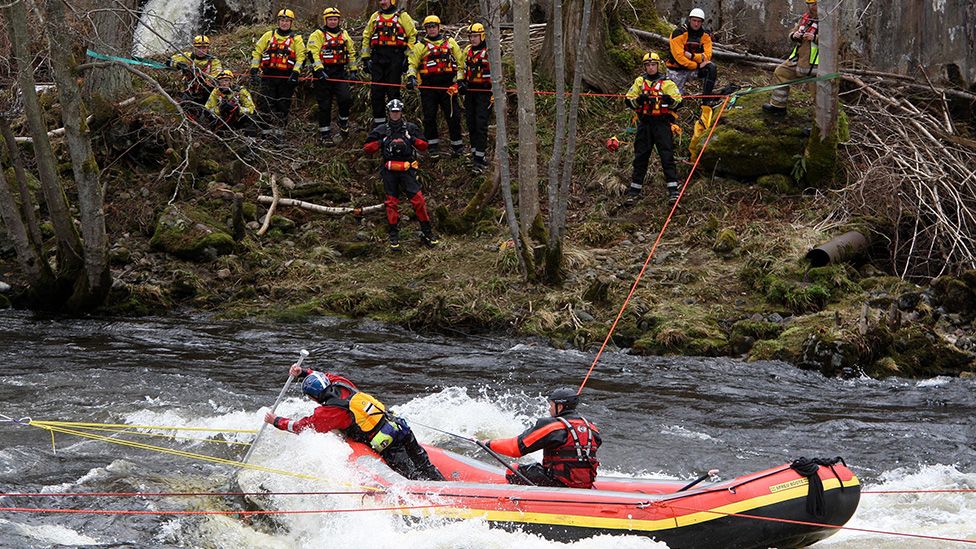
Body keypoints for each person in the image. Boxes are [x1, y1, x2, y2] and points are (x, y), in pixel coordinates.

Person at [265, 363, 445, 482]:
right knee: (424, 465)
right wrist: (303, 372)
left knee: (410, 476)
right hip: (400, 426)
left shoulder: (328, 412)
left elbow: (302, 427)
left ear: (313, 397)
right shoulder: (343, 383)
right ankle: (445, 483)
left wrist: (277, 421)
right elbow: (325, 375)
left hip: (386, 442)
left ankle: (441, 499)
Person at [482, 388, 601, 489]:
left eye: (551, 405)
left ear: (560, 406)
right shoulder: (591, 428)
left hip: (559, 484)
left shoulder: (553, 426)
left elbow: (515, 448)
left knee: (514, 469)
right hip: (585, 484)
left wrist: (488, 443)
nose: (549, 409)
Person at [364, 99, 440, 251]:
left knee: (418, 201)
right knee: (391, 203)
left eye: (397, 112)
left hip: (407, 170)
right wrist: (381, 142)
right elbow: (367, 148)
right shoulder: (381, 129)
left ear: (401, 112)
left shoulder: (411, 128)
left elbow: (424, 146)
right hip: (389, 170)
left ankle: (427, 233)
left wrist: (411, 139)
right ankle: (393, 235)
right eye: (393, 112)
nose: (395, 114)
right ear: (389, 112)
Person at [624, 52, 683, 204]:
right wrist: (639, 99)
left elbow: (679, 102)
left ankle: (673, 190)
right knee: (641, 157)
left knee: (667, 156)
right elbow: (628, 101)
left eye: (653, 65)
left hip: (662, 124)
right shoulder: (639, 82)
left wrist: (669, 100)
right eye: (648, 65)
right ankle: (634, 191)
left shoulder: (667, 83)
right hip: (645, 125)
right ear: (645, 67)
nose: (650, 68)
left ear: (658, 65)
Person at [406, 15, 465, 159]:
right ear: (426, 29)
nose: (432, 29)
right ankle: (432, 146)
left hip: (448, 87)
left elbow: (461, 62)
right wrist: (411, 77)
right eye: (429, 27)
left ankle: (457, 146)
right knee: (429, 117)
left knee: (453, 117)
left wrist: (460, 80)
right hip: (428, 88)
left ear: (439, 27)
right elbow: (412, 63)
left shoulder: (450, 43)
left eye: (434, 26)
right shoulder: (421, 46)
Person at [360, 0, 417, 128]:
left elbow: (412, 36)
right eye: (381, 0)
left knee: (393, 92)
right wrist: (365, 58)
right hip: (377, 57)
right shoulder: (375, 17)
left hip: (395, 57)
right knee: (377, 91)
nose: (383, 2)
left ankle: (395, 123)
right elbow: (367, 36)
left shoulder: (403, 16)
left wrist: (407, 57)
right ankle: (379, 124)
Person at [249, 8, 306, 139]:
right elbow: (257, 51)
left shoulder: (296, 39)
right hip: (268, 76)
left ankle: (280, 133)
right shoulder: (269, 35)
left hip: (287, 78)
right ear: (278, 21)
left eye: (287, 21)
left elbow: (301, 57)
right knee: (265, 103)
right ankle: (265, 132)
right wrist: (254, 69)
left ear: (291, 23)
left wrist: (296, 73)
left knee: (283, 105)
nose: (284, 23)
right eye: (282, 20)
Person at [306, 7, 359, 144]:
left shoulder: (344, 34)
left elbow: (351, 53)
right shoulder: (317, 35)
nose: (333, 22)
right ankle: (325, 134)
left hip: (340, 72)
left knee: (345, 98)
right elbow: (313, 53)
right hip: (323, 75)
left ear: (339, 20)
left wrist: (353, 71)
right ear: (325, 20)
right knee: (325, 105)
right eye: (330, 19)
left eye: (335, 19)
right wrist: (319, 70)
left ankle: (343, 121)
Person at [763, 0, 819, 116]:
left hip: (817, 66)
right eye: (811, 4)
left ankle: (818, 126)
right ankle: (778, 107)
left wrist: (815, 38)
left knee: (819, 95)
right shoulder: (806, 18)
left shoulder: (828, 21)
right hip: (798, 61)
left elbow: (836, 43)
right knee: (781, 72)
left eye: (815, 4)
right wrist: (794, 35)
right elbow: (794, 30)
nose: (813, 7)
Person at [666, 8, 717, 104]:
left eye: (699, 21)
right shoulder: (678, 33)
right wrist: (697, 65)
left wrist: (692, 56)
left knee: (711, 68)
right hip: (676, 70)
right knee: (675, 101)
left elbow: (707, 56)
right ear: (689, 20)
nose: (696, 24)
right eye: (694, 20)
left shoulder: (705, 35)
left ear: (702, 22)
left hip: (693, 69)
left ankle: (706, 101)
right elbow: (679, 58)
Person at [459, 23, 492, 173]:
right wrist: (461, 82)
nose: (472, 39)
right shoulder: (467, 51)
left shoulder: (489, 51)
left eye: (475, 36)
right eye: (471, 36)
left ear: (482, 36)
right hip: (470, 91)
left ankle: (480, 157)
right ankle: (474, 155)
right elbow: (461, 68)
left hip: (484, 92)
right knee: (471, 123)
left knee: (481, 124)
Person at [167, 35, 222, 118]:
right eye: (198, 47)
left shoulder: (214, 62)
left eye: (204, 48)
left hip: (207, 93)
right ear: (194, 48)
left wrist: (199, 76)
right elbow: (169, 61)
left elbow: (215, 79)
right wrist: (178, 64)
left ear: (208, 48)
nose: (201, 50)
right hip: (189, 90)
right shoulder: (187, 56)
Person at [204, 70, 258, 135]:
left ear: (231, 81)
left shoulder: (241, 91)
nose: (223, 83)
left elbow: (251, 108)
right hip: (223, 120)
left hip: (238, 120)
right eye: (221, 81)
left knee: (251, 117)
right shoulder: (216, 92)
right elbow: (207, 108)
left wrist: (238, 109)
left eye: (226, 80)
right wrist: (219, 109)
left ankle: (249, 138)